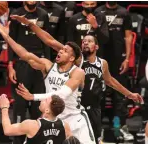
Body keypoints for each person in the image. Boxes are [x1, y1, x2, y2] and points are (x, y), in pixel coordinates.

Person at [8, 15, 144, 144]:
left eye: (89, 41)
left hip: (94, 108)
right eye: (83, 41)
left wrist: (129, 94)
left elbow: (111, 81)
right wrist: (30, 24)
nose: (85, 43)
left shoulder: (102, 64)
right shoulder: (77, 59)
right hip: (76, 106)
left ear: (96, 46)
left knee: (95, 140)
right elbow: (49, 40)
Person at [0, 18, 95, 144]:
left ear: (72, 58)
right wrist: (6, 36)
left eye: (64, 51)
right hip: (54, 118)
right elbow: (25, 55)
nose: (60, 51)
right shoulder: (48, 66)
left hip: (75, 119)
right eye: (60, 49)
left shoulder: (77, 72)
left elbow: (62, 95)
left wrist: (33, 97)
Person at [8, 1, 49, 144]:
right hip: (22, 63)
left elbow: (47, 42)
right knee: (20, 104)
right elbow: (11, 41)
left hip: (39, 63)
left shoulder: (43, 14)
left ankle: (35, 140)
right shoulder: (15, 15)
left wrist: (47, 67)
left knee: (38, 105)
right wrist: (10, 65)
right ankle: (17, 140)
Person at [95, 2, 134, 140]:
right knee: (99, 93)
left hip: (119, 59)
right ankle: (97, 128)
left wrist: (127, 59)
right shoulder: (98, 11)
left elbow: (128, 36)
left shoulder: (124, 12)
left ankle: (119, 127)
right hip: (101, 58)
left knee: (119, 95)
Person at [0, 93, 72, 144]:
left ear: (47, 110)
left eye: (45, 100)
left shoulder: (32, 125)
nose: (42, 100)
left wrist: (4, 107)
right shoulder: (65, 127)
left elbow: (7, 130)